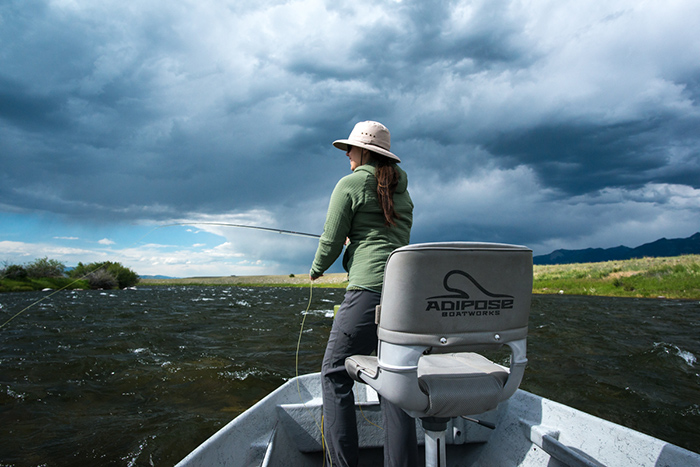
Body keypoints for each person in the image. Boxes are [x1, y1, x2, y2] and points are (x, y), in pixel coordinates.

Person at [310, 121, 416, 467]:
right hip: (406, 297)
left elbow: (329, 239)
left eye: (350, 151)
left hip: (367, 291)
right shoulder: (403, 191)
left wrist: (316, 269)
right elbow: (386, 235)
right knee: (397, 382)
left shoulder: (351, 184)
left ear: (363, 152)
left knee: (334, 372)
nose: (348, 157)